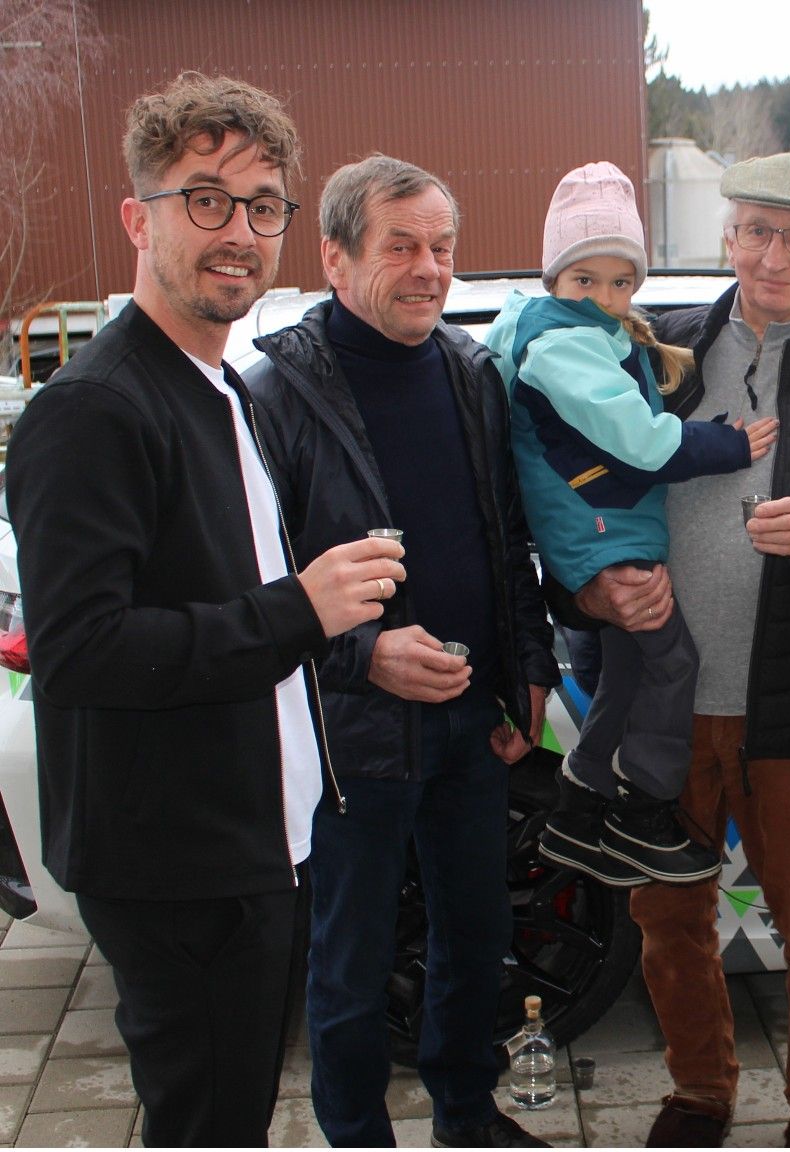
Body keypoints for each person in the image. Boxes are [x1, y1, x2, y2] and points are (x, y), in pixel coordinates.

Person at [5, 72, 405, 1146]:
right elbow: (81, 650)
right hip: (176, 865)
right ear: (138, 219)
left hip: (254, 843)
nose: (239, 232)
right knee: (211, 1123)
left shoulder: (224, 387)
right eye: (207, 199)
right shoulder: (93, 409)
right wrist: (300, 609)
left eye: (264, 206)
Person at [570, 152, 790, 1148]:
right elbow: (579, 487)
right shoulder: (654, 352)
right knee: (668, 923)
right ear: (727, 238)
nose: (774, 254)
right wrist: (590, 585)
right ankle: (700, 1092)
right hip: (663, 708)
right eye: (757, 230)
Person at [245, 154, 559, 1149]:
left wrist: (529, 668)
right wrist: (364, 654)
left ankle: (466, 1116)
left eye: (443, 248)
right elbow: (255, 591)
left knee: (478, 938)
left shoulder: (472, 374)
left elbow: (505, 537)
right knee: (350, 964)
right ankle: (356, 1135)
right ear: (336, 258)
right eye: (402, 247)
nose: (430, 268)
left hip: (471, 722)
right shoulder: (273, 396)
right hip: (352, 738)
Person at [487, 160, 777, 887]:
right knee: (673, 663)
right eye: (585, 279)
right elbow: (643, 443)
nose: (606, 297)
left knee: (627, 669)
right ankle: (644, 809)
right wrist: (731, 445)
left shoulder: (580, 332)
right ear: (555, 277)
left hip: (598, 524)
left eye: (622, 282)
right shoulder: (563, 345)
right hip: (603, 531)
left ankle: (580, 809)